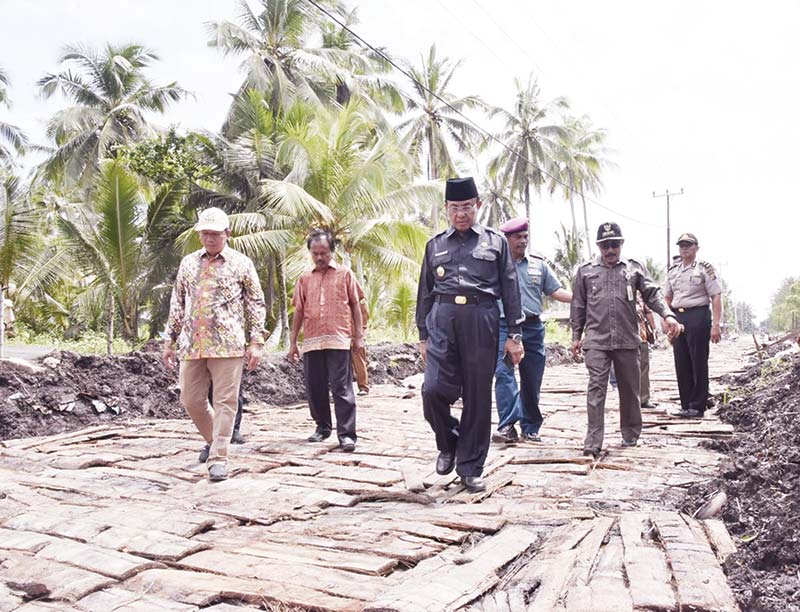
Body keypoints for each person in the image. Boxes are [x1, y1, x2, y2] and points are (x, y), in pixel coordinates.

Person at [416, 177, 524, 493]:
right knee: (432, 390)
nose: (461, 214)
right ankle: (448, 440)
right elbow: (425, 292)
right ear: (446, 209)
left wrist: (514, 335)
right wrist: (423, 335)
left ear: (478, 205)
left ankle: (470, 467)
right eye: (454, 208)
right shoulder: (435, 245)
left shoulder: (496, 243)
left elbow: (510, 290)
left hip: (482, 318)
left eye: (466, 207)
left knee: (477, 395)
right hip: (443, 319)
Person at [163, 207, 266, 482]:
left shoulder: (241, 263)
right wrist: (169, 340)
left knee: (225, 402)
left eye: (215, 234)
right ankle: (214, 441)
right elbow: (177, 302)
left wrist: (256, 342)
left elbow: (255, 303)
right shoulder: (188, 263)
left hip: (227, 345)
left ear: (227, 233)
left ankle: (219, 458)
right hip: (192, 344)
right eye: (205, 233)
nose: (209, 238)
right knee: (190, 399)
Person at [570, 222, 682, 458]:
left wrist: (668, 315)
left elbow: (652, 294)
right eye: (605, 245)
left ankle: (630, 434)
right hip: (597, 341)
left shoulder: (634, 268)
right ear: (599, 246)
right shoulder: (585, 271)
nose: (610, 250)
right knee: (596, 389)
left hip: (627, 339)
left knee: (630, 390)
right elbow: (578, 304)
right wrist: (576, 336)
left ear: (621, 244)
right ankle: (593, 443)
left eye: (614, 244)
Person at [492, 218, 572, 444]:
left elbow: (555, 291)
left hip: (533, 327)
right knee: (504, 373)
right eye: (518, 237)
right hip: (504, 326)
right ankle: (507, 426)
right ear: (507, 239)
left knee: (532, 378)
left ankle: (530, 427)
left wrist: (584, 298)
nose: (523, 241)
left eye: (525, 236)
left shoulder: (539, 265)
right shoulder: (494, 266)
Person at [288, 230, 364, 452]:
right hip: (312, 341)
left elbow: (355, 305)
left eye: (324, 253)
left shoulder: (345, 274)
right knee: (315, 387)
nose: (320, 257)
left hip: (339, 339)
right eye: (315, 253)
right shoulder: (304, 278)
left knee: (341, 388)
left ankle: (347, 435)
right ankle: (322, 427)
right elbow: (299, 311)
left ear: (332, 251)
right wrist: (293, 342)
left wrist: (359, 336)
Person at [662, 232, 723, 418]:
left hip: (698, 315)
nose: (684, 248)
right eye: (681, 245)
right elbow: (667, 298)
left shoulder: (704, 269)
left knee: (698, 361)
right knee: (681, 361)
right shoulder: (673, 271)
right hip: (678, 318)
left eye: (688, 245)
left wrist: (716, 325)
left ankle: (698, 406)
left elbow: (716, 296)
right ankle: (686, 404)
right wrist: (666, 318)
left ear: (696, 248)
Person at [637, 296, 659, 410]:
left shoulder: (639, 295)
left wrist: (653, 330)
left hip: (641, 335)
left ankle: (643, 398)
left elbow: (648, 312)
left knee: (643, 367)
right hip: (622, 337)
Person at [351, 281, 370, 396]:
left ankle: (363, 387)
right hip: (344, 335)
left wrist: (359, 336)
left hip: (356, 336)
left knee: (359, 362)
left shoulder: (361, 303)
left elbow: (364, 321)